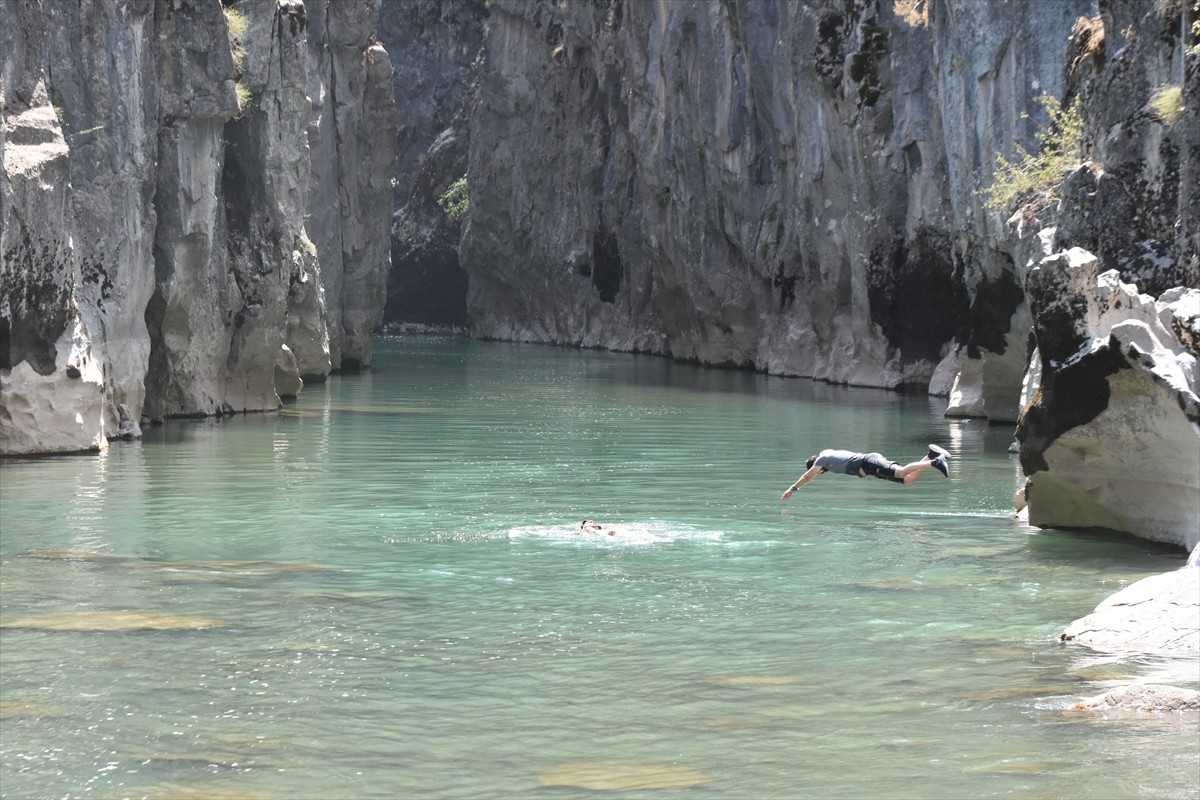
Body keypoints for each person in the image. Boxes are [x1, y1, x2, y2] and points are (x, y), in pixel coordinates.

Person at [780, 444, 950, 500]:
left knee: (901, 472)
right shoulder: (826, 454)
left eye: (818, 472)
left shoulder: (822, 460)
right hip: (870, 469)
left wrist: (793, 488)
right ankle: (930, 455)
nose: (818, 474)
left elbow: (808, 476)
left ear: (816, 467)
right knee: (908, 479)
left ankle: (936, 461)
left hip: (869, 461)